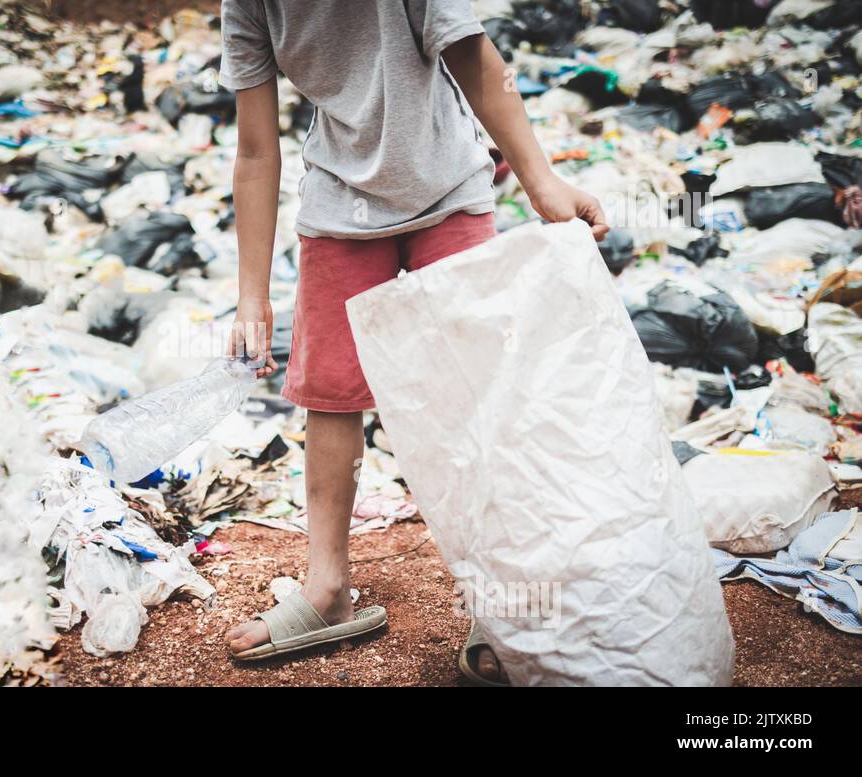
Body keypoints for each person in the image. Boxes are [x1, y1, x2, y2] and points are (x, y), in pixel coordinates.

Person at [218, 0, 609, 682]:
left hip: (449, 193)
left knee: (472, 398)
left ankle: (503, 602)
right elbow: (256, 148)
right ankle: (328, 587)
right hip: (340, 204)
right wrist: (252, 290)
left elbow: (476, 60)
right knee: (331, 395)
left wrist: (544, 183)